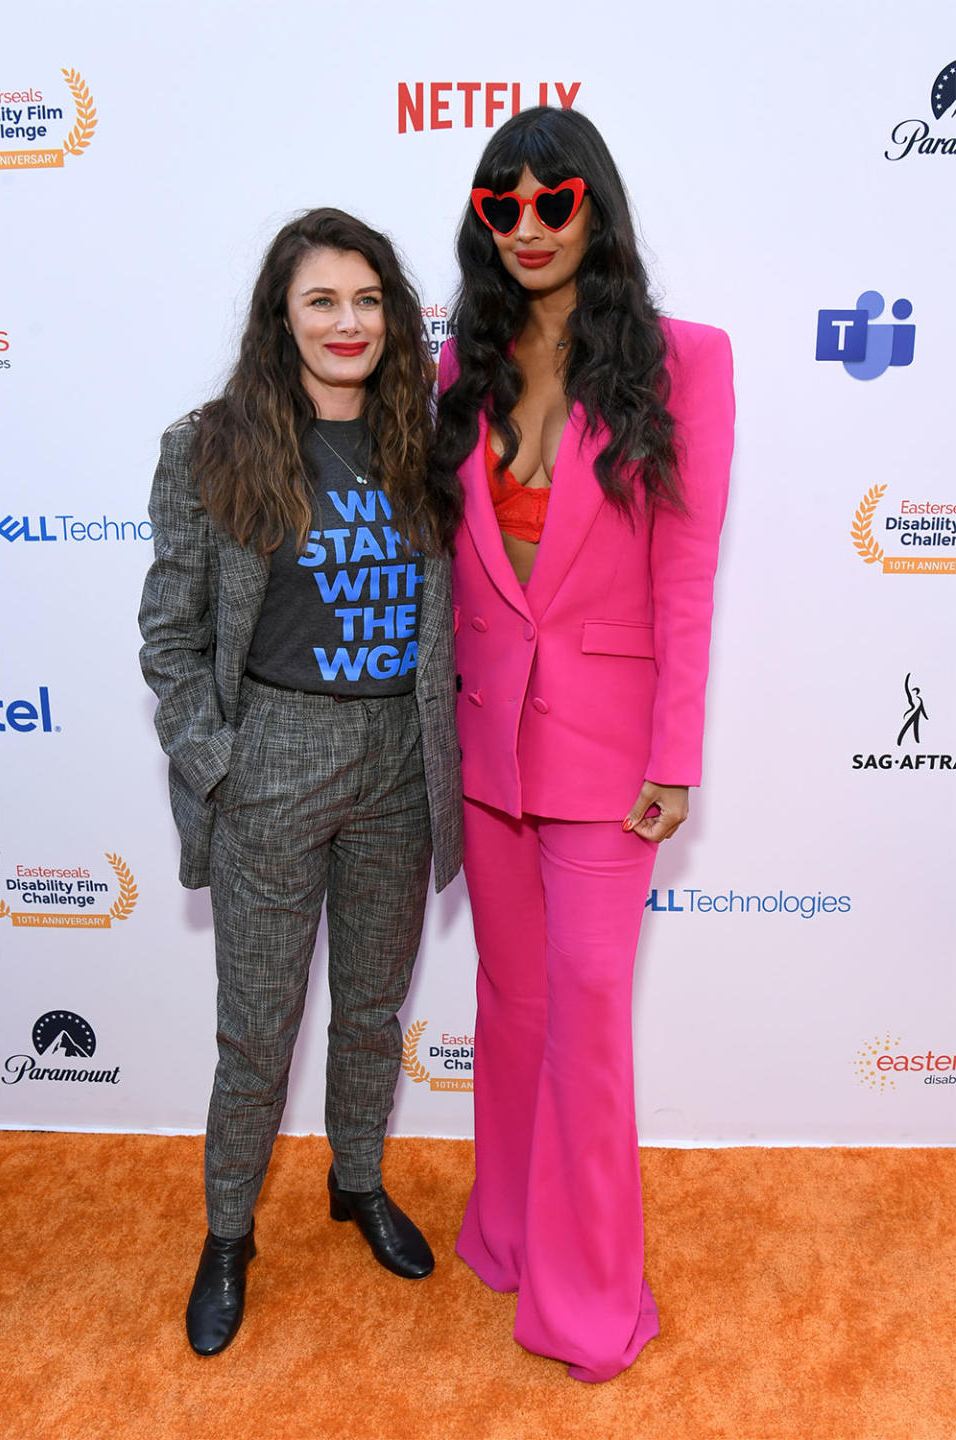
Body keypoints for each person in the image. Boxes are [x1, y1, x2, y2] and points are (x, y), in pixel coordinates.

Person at [434, 108, 735, 1382]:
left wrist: (676, 754)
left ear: (595, 207)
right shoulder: (466, 362)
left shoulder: (685, 361)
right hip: (487, 741)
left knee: (589, 1011)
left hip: (612, 755)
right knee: (511, 1005)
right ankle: (505, 1231)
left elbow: (685, 570)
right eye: (505, 207)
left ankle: (590, 1297)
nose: (532, 226)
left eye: (555, 200)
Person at [139, 208, 463, 1357]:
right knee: (258, 1030)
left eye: (369, 300)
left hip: (401, 768)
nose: (348, 321)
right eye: (322, 299)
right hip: (270, 759)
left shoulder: (426, 441)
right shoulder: (211, 445)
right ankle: (229, 1235)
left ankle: (357, 1180)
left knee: (374, 1010)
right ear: (282, 314)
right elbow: (170, 638)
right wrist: (219, 764)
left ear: (395, 317)